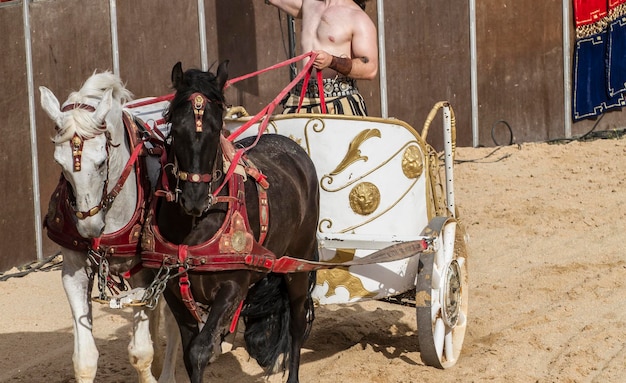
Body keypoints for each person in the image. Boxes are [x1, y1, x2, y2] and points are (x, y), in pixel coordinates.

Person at [264, 0, 378, 115]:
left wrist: (332, 61)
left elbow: (370, 69)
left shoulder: (357, 17)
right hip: (300, 102)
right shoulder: (309, 5)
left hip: (338, 105)